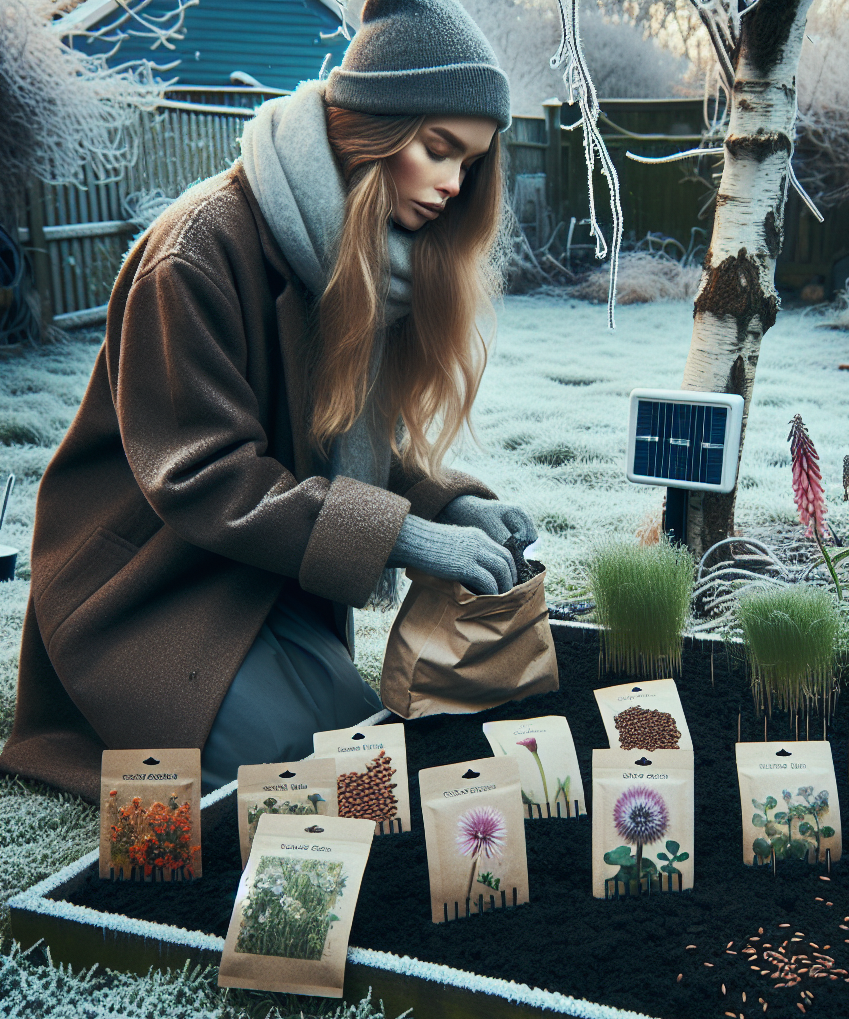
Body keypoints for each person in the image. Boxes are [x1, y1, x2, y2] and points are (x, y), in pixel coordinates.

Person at [0, 0, 536, 800]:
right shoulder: (195, 252)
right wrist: (406, 539)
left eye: (473, 162)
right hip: (150, 589)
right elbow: (208, 476)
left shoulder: (363, 252)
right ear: (371, 129)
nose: (455, 184)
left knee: (366, 751)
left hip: (257, 580)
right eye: (438, 149)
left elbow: (334, 441)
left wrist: (447, 504)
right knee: (307, 771)